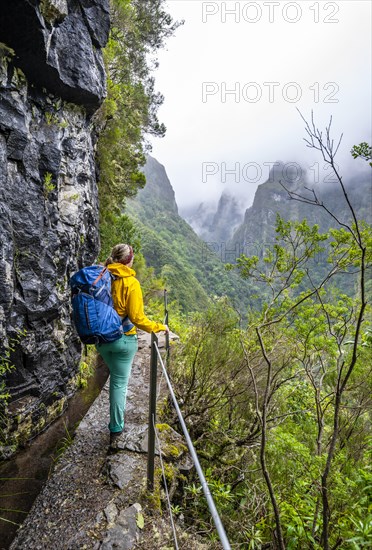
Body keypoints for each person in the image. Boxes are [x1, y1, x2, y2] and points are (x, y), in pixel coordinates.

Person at [96, 243, 168, 452]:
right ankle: (116, 430)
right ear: (129, 261)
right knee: (119, 384)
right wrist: (159, 327)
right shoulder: (131, 283)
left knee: (115, 375)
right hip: (123, 340)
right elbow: (137, 318)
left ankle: (115, 423)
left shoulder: (101, 275)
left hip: (101, 341)